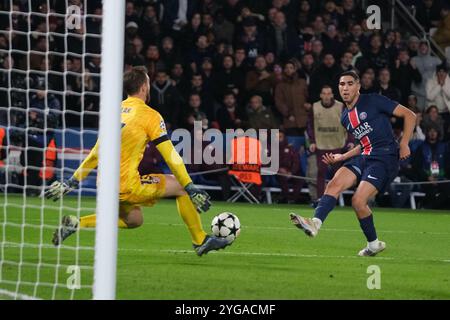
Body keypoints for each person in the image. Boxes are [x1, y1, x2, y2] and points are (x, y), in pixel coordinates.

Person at [45, 66, 230, 256]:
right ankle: (200, 239)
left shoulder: (114, 111)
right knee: (180, 187)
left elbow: (95, 153)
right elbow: (171, 156)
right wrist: (190, 186)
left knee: (134, 219)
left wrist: (71, 182)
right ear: (143, 87)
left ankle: (77, 223)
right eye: (148, 83)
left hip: (106, 185)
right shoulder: (149, 115)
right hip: (127, 185)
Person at [290, 70, 416, 257]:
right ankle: (315, 224)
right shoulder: (345, 118)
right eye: (342, 84)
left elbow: (410, 115)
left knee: (358, 201)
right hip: (364, 156)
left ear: (358, 86)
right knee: (333, 184)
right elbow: (362, 143)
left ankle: (373, 244)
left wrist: (404, 143)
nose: (345, 88)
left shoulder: (373, 100)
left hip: (384, 158)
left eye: (350, 83)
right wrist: (342, 157)